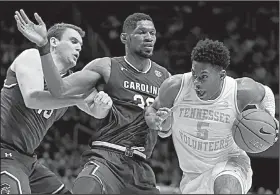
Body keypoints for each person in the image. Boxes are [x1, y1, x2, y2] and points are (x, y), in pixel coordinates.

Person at [16, 10, 171, 194]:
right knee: (85, 189)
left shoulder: (165, 78)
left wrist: (164, 121)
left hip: (140, 167)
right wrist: (43, 46)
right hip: (107, 158)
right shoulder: (106, 66)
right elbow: (59, 90)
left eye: (152, 33)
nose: (149, 37)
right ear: (124, 37)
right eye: (141, 32)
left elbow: (166, 132)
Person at [145, 39, 279, 194]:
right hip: (192, 176)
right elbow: (154, 113)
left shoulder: (239, 90)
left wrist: (270, 116)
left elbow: (266, 93)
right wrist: (159, 122)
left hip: (231, 163)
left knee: (225, 190)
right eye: (194, 74)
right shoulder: (174, 87)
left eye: (203, 77)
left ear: (221, 75)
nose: (196, 82)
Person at [1, 10, 113, 194]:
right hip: (4, 151)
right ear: (53, 42)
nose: (79, 48)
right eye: (73, 41)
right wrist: (77, 97)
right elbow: (33, 99)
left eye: (81, 45)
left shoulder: (72, 81)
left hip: (27, 160)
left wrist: (103, 104)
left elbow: (96, 112)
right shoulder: (32, 57)